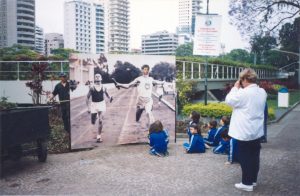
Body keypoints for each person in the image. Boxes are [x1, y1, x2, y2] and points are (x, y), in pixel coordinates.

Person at [225, 68, 267, 192]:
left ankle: (246, 183)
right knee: (254, 156)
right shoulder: (262, 91)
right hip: (256, 130)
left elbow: (229, 100)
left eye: (241, 79)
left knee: (245, 157)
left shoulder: (243, 93)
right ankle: (253, 180)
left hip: (244, 132)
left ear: (244, 79)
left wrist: (235, 87)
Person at [86, 73, 113, 143]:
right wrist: (88, 108)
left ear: (101, 78)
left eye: (99, 76)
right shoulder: (92, 87)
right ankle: (95, 116)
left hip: (101, 104)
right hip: (93, 105)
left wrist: (110, 98)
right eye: (96, 77)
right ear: (95, 79)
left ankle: (99, 136)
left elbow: (107, 94)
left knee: (101, 120)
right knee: (93, 121)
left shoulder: (104, 87)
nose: (97, 78)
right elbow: (87, 97)